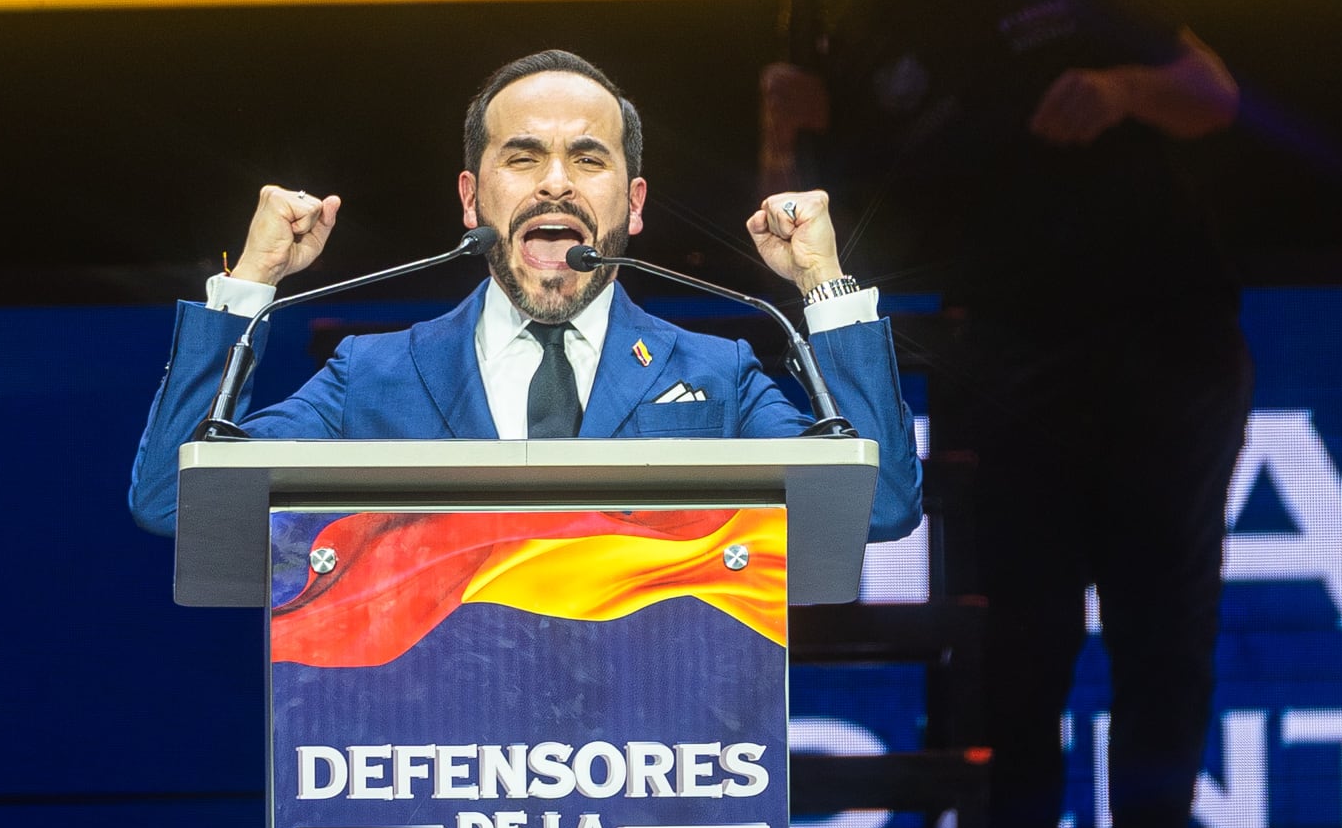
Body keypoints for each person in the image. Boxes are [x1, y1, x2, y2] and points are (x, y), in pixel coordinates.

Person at [757, 0, 1246, 828]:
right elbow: (807, 249)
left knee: (1161, 630)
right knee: (1016, 645)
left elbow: (1209, 92)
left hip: (1164, 343)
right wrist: (782, 136)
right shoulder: (846, 48)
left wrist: (1121, 89)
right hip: (1003, 365)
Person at [127, 50, 921, 543]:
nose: (554, 180)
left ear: (634, 204)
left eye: (587, 157)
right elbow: (172, 500)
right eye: (523, 156)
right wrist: (250, 286)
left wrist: (825, 288)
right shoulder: (372, 377)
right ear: (472, 200)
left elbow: (880, 505)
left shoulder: (719, 374)